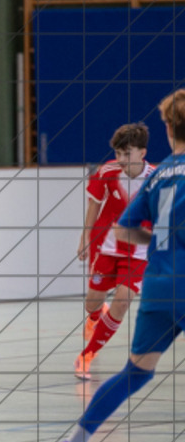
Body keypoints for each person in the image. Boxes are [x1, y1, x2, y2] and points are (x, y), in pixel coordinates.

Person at [45, 90, 185, 442]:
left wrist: (160, 241)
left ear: (168, 129)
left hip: (158, 286)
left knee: (134, 373)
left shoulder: (159, 174)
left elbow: (125, 229)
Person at [72, 123, 154, 380]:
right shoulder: (107, 171)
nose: (120, 159)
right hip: (106, 247)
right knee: (92, 302)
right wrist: (85, 236)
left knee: (123, 301)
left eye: (126, 154)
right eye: (118, 153)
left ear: (142, 152)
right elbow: (94, 205)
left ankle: (87, 355)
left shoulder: (156, 177)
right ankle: (96, 315)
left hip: (138, 252)